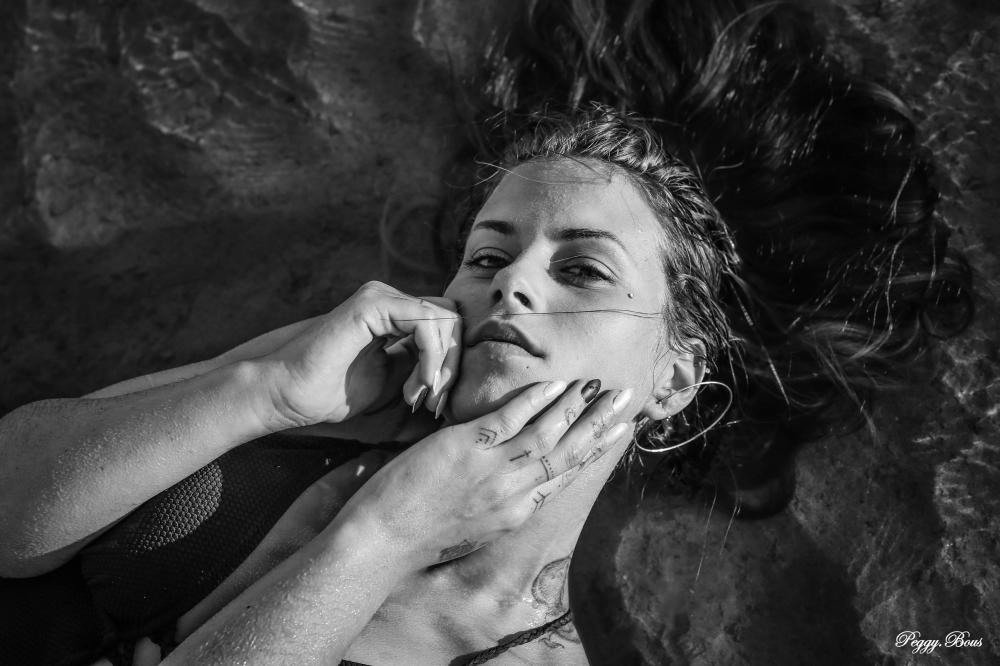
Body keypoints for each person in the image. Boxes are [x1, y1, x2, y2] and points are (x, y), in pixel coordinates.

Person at [0, 0, 972, 664]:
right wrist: (265, 387)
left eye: (581, 269)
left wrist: (385, 537)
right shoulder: (315, 396)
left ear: (675, 378)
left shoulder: (514, 654)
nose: (509, 285)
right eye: (488, 255)